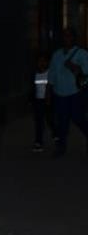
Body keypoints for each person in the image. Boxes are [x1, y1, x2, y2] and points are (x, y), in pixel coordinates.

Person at [47, 27, 88, 156]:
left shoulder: (82, 54)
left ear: (74, 38)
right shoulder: (56, 54)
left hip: (75, 93)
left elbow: (86, 74)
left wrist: (75, 67)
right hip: (59, 93)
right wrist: (48, 92)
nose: (67, 38)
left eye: (70, 36)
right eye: (65, 36)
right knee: (61, 122)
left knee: (78, 119)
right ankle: (61, 147)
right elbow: (52, 75)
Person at [31, 52, 50, 152]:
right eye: (39, 61)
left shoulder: (50, 73)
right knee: (39, 122)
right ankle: (38, 142)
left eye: (44, 61)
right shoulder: (34, 74)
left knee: (50, 120)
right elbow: (32, 88)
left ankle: (56, 134)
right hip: (38, 101)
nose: (42, 63)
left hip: (48, 102)